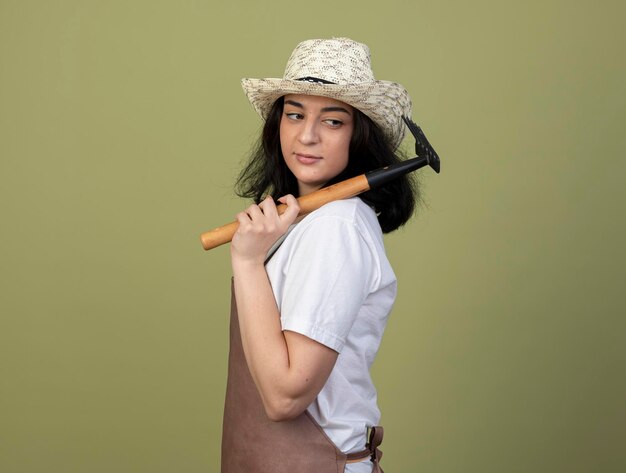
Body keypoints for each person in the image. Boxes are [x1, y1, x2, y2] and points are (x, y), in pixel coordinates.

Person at [221, 37, 419, 473]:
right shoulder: (310, 222)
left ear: (360, 135)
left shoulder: (336, 227)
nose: (306, 136)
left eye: (332, 121)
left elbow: (285, 395)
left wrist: (248, 261)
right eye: (295, 114)